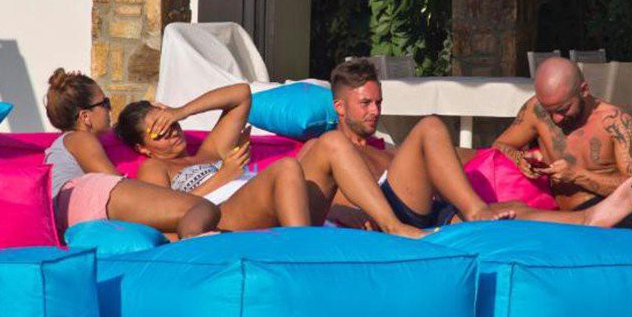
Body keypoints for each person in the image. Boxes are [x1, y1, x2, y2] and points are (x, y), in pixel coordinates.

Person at [321, 58, 632, 230]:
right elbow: (320, 191)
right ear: (339, 107)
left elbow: (465, 156)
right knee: (430, 126)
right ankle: (476, 211)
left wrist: (519, 157)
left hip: (430, 210)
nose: (375, 111)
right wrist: (340, 212)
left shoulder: (384, 146)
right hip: (390, 214)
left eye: (379, 102)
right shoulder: (332, 148)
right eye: (365, 104)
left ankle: (588, 220)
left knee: (511, 211)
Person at [113, 84, 429, 238]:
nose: (172, 132)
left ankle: (394, 226)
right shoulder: (154, 168)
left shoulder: (208, 151)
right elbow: (169, 215)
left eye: (171, 124)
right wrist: (223, 176)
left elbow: (241, 94)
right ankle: (301, 254)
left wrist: (179, 111)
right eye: (160, 132)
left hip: (271, 200)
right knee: (286, 167)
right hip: (226, 215)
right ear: (143, 148)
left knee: (330, 142)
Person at [493, 56, 632, 236]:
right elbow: (500, 145)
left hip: (617, 203)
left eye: (563, 109)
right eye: (549, 111)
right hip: (574, 215)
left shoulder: (615, 121)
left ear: (584, 90)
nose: (556, 119)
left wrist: (577, 175)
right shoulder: (536, 110)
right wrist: (520, 159)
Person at [44, 68, 220, 239]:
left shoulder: (64, 144)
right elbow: (110, 180)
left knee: (168, 233)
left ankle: (190, 242)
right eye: (105, 103)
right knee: (201, 207)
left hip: (70, 213)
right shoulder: (80, 138)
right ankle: (196, 245)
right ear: (85, 117)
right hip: (80, 199)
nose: (110, 109)